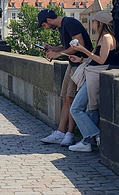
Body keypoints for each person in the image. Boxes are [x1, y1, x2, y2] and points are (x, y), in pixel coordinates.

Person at [38, 9, 93, 147]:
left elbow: (79, 45)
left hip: (81, 63)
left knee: (72, 99)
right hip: (72, 63)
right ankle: (60, 133)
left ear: (49, 21)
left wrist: (59, 54)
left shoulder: (70, 23)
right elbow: (68, 47)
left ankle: (70, 134)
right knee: (66, 98)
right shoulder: (63, 26)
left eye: (45, 25)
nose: (46, 28)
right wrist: (53, 49)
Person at [67, 11, 117, 152]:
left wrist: (82, 49)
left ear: (101, 24)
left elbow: (101, 60)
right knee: (91, 110)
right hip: (93, 74)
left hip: (95, 76)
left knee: (76, 109)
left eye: (94, 22)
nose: (93, 24)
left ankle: (96, 135)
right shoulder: (104, 38)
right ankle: (87, 142)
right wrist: (81, 59)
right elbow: (98, 59)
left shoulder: (107, 38)